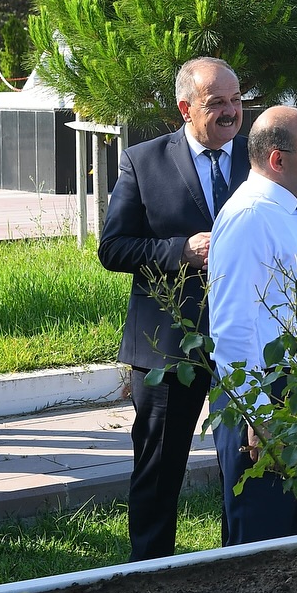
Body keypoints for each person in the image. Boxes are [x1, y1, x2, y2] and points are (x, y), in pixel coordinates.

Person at [98, 57, 248, 561]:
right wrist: (180, 251)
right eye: (217, 104)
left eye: (236, 100)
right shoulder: (143, 161)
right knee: (159, 467)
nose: (231, 113)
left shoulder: (260, 159)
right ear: (186, 108)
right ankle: (149, 572)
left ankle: (240, 560)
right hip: (167, 343)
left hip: (245, 341)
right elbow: (114, 248)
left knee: (247, 462)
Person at [207, 105, 297, 546]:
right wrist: (260, 415)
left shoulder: (286, 211)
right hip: (273, 399)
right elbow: (233, 328)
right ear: (277, 159)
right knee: (264, 540)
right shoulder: (250, 217)